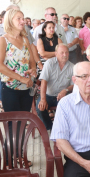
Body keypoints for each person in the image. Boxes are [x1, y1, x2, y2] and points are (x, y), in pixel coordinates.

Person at [0, 9, 36, 167]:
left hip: (26, 90)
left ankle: (19, 155)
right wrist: (21, 77)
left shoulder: (25, 39)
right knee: (11, 125)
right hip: (10, 90)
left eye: (23, 18)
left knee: (22, 124)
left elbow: (32, 61)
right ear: (10, 21)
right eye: (19, 18)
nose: (23, 21)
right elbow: (0, 65)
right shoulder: (3, 40)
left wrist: (33, 71)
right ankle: (9, 158)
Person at [37, 44, 74, 130]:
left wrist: (66, 90)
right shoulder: (49, 63)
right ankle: (50, 128)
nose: (65, 55)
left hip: (62, 96)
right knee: (40, 109)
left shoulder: (72, 67)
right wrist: (43, 99)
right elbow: (44, 82)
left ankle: (61, 129)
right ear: (56, 53)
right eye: (62, 53)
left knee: (66, 110)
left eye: (66, 52)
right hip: (48, 95)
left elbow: (73, 84)